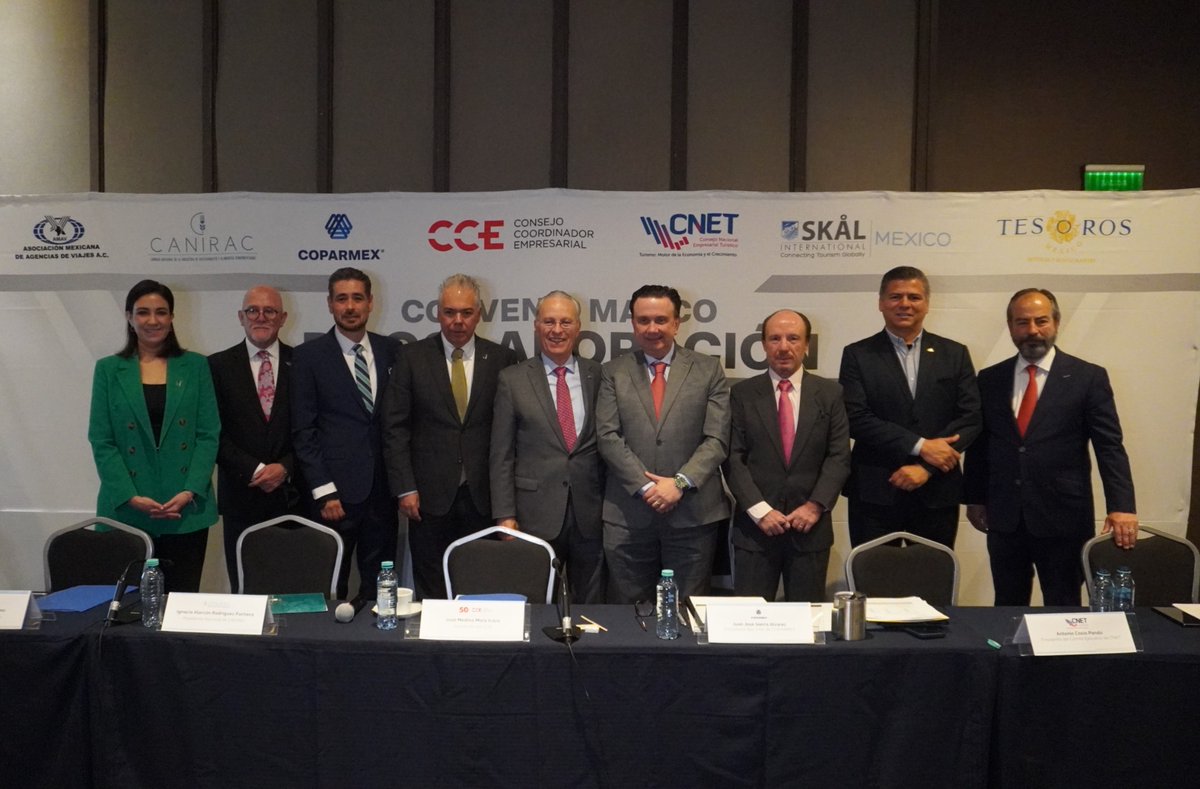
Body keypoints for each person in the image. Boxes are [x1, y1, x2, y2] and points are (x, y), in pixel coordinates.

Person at [965, 288, 1138, 605]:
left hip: (1064, 519)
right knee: (1006, 607)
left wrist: (1122, 506)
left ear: (1056, 323)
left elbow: (1109, 446)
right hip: (1005, 519)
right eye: (1022, 322)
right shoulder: (989, 379)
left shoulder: (1087, 377)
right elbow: (980, 444)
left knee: (1064, 608)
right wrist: (975, 498)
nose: (1032, 330)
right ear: (1010, 326)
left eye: (1041, 321)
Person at [381, 273, 523, 600]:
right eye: (449, 312)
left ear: (479, 314)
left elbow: (510, 435)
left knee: (482, 585)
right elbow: (395, 428)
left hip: (483, 497)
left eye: (466, 312)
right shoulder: (412, 357)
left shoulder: (502, 359)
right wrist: (405, 487)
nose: (457, 321)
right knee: (432, 590)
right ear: (437, 312)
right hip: (427, 499)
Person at [595, 284, 730, 604]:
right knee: (628, 614)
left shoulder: (708, 369)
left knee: (688, 611)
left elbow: (717, 439)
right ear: (633, 323)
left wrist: (679, 483)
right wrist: (647, 488)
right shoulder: (613, 372)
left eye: (660, 320)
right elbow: (608, 436)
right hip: (628, 515)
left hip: (693, 515)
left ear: (677, 323)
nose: (652, 328)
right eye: (643, 320)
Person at [88, 279, 220, 593]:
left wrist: (189, 491)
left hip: (184, 509)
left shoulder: (196, 366)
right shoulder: (108, 369)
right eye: (143, 312)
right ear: (129, 317)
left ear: (172, 317)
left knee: (180, 605)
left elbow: (208, 434)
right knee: (125, 607)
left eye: (161, 312)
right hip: (126, 508)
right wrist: (130, 497)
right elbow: (102, 440)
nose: (152, 320)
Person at [839, 266, 981, 549]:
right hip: (875, 492)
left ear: (927, 304)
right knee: (873, 574)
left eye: (914, 297)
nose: (905, 304)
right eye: (895, 297)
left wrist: (926, 467)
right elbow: (856, 417)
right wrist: (920, 446)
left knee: (933, 574)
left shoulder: (954, 353)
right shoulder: (857, 354)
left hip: (937, 490)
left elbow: (970, 418)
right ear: (881, 303)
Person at [724, 309, 851, 602]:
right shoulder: (742, 394)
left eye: (793, 338)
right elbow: (732, 457)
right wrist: (760, 511)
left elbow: (839, 456)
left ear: (807, 345)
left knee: (808, 618)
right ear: (763, 345)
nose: (784, 347)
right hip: (755, 531)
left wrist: (815, 506)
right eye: (775, 339)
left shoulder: (830, 394)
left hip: (810, 529)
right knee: (750, 619)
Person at [490, 291, 607, 603]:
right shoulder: (512, 379)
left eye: (565, 322)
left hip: (590, 515)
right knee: (535, 603)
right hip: (533, 516)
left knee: (591, 607)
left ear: (578, 327)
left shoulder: (599, 375)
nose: (557, 330)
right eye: (549, 322)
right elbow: (501, 455)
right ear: (536, 325)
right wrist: (504, 514)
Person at [291, 268, 399, 601]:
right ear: (330, 304)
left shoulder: (393, 351)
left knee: (380, 591)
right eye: (341, 299)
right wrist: (324, 492)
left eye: (357, 298)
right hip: (334, 497)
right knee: (327, 586)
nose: (350, 307)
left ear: (370, 302)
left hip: (382, 495)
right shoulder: (308, 357)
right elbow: (303, 431)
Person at [208, 285, 303, 593]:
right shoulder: (216, 366)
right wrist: (256, 469)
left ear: (283, 318)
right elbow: (211, 432)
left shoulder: (303, 363)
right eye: (253, 310)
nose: (261, 317)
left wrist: (285, 467)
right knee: (245, 592)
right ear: (241, 316)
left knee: (292, 592)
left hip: (292, 498)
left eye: (270, 311)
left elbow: (313, 428)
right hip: (241, 497)